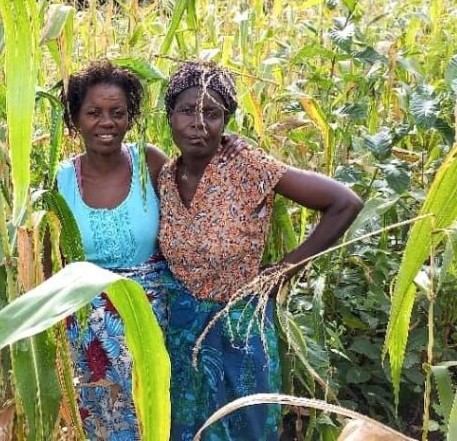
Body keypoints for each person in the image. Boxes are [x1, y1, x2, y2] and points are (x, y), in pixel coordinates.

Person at [157, 61, 363, 440]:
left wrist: (282, 270)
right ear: (170, 117)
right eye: (187, 111)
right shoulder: (164, 176)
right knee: (184, 427)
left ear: (226, 122)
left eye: (212, 113)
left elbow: (344, 202)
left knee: (243, 427)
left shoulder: (248, 166)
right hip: (182, 331)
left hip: (239, 326)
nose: (198, 123)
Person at [54, 59, 245, 440]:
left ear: (130, 118)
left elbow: (199, 193)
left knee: (157, 413)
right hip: (88, 329)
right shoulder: (61, 180)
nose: (106, 122)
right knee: (102, 417)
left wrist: (227, 149)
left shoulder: (150, 162)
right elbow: (54, 259)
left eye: (117, 113)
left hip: (155, 319)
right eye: (93, 113)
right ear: (76, 120)